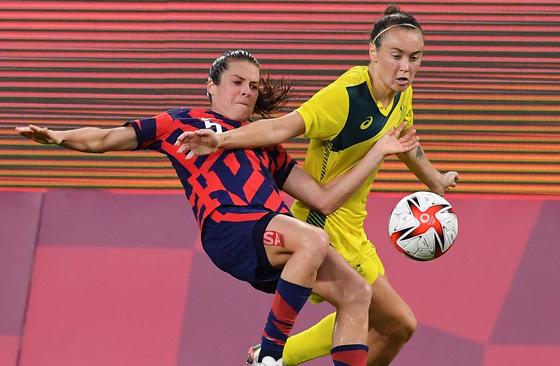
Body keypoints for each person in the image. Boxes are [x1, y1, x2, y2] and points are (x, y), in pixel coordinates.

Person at [16, 50, 421, 366]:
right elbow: (105, 139)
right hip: (232, 230)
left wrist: (380, 151)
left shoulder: (263, 143)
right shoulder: (182, 122)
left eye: (254, 86)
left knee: (357, 293)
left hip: (275, 240)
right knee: (314, 239)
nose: (247, 91)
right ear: (210, 86)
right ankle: (269, 353)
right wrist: (57, 137)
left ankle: (273, 351)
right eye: (236, 82)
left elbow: (326, 199)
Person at [175, 6, 460, 366]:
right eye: (397, 56)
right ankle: (272, 355)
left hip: (353, 225)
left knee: (399, 326)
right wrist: (222, 141)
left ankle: (270, 355)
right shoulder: (343, 98)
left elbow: (402, 137)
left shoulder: (401, 92)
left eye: (415, 58)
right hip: (324, 225)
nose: (406, 68)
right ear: (373, 52)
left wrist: (434, 179)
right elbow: (281, 128)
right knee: (368, 308)